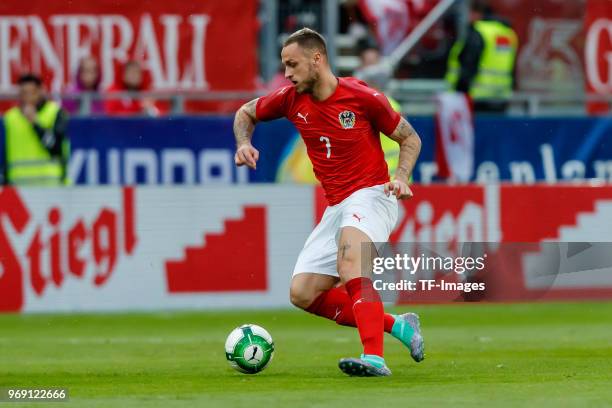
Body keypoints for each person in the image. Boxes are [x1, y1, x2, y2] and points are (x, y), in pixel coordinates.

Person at [233, 28, 423, 377]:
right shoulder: (291, 99)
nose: (287, 74)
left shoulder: (363, 97)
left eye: (292, 65)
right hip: (336, 205)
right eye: (284, 66)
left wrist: (401, 177)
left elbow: (410, 138)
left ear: (316, 60)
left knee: (351, 264)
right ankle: (397, 325)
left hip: (373, 195)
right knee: (303, 293)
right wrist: (243, 143)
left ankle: (375, 359)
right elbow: (246, 112)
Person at [445, 0, 518, 113]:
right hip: (501, 97)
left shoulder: (479, 32)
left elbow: (470, 62)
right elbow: (512, 66)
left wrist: (460, 90)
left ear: (476, 13)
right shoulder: (508, 33)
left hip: (477, 97)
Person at [2, 74, 69, 186]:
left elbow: (56, 149)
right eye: (24, 93)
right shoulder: (9, 118)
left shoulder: (56, 113)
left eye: (32, 93)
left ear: (41, 91)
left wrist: (35, 124)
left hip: (50, 183)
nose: (28, 97)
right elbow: (3, 154)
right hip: (18, 185)